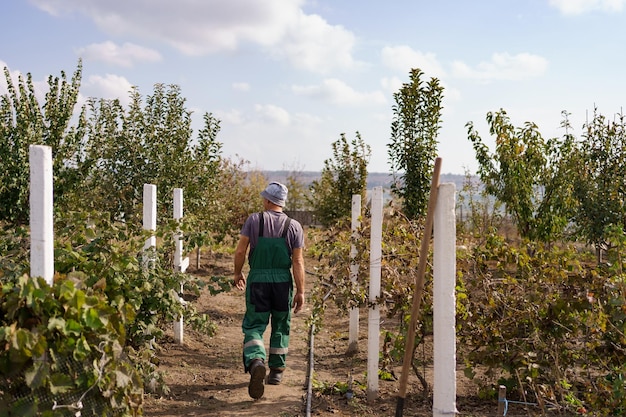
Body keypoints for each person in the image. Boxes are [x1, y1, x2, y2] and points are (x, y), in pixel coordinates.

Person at [233, 181, 306, 400]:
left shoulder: (254, 220)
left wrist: (237, 273)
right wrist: (301, 291)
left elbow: (240, 251)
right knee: (281, 324)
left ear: (267, 200)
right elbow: (298, 261)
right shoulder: (294, 226)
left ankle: (256, 360)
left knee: (255, 324)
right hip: (283, 282)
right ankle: (276, 373)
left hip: (258, 280)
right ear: (282, 203)